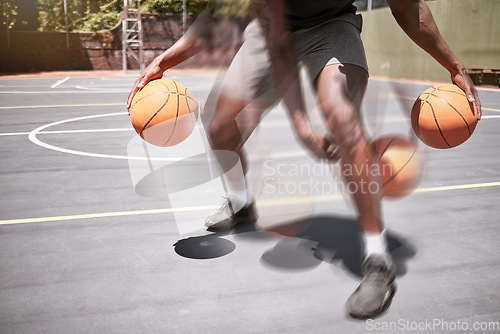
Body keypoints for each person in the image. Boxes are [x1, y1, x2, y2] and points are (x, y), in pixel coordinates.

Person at [128, 0, 481, 320]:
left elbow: (408, 7)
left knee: (341, 118)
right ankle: (241, 203)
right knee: (219, 126)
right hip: (268, 31)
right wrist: (166, 58)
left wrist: (453, 65)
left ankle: (378, 258)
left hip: (330, 27)